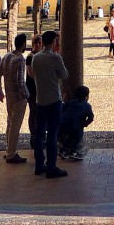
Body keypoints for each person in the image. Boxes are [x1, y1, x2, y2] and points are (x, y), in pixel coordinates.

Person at [28, 30, 69, 178]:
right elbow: (64, 74)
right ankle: (51, 167)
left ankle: (39, 164)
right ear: (53, 42)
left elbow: (34, 74)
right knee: (52, 135)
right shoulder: (55, 58)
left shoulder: (36, 58)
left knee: (39, 134)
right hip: (54, 100)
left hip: (40, 100)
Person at [0, 33, 29, 163]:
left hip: (9, 95)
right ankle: (11, 154)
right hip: (19, 97)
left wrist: (0, 91)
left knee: (10, 123)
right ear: (24, 44)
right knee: (15, 125)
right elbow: (20, 80)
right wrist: (26, 94)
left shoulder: (7, 56)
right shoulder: (20, 59)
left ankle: (9, 150)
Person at [59, 85, 95, 160]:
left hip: (62, 124)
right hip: (75, 126)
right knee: (77, 136)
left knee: (71, 136)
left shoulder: (71, 102)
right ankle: (73, 151)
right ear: (87, 96)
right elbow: (91, 118)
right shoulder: (87, 106)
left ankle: (63, 150)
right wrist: (85, 124)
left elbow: (62, 109)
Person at [25, 33, 42, 148]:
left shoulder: (41, 55)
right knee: (33, 111)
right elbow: (30, 73)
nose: (39, 45)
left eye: (40, 43)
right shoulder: (30, 56)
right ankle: (33, 135)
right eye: (37, 42)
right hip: (32, 88)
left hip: (40, 88)